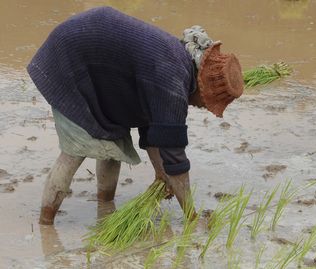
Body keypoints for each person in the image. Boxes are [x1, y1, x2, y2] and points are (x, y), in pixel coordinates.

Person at [27, 6, 244, 225]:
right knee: (76, 149)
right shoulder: (172, 82)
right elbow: (175, 156)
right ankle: (46, 225)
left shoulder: (177, 64)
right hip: (68, 59)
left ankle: (105, 208)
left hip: (98, 66)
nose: (203, 107)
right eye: (207, 103)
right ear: (202, 85)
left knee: (112, 144)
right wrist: (191, 216)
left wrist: (160, 174)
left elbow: (154, 128)